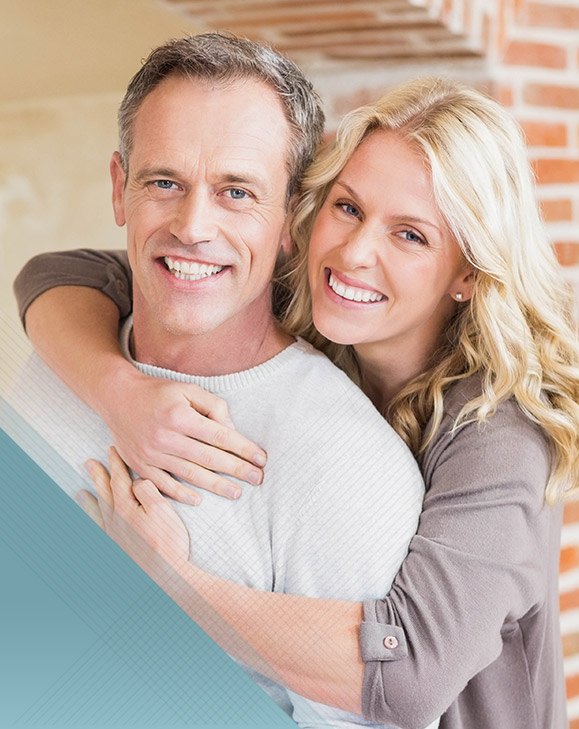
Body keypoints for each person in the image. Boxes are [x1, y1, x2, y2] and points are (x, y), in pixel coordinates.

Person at [14, 76, 579, 729]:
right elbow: (61, 274)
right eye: (348, 208)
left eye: (410, 235)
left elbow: (411, 675)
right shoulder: (309, 298)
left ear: (468, 273)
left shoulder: (500, 434)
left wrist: (173, 584)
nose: (355, 252)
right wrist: (121, 391)